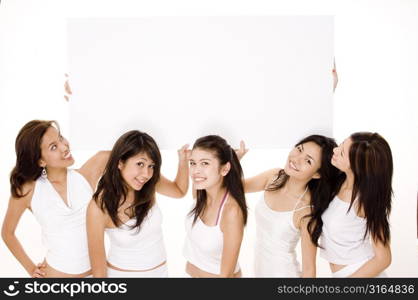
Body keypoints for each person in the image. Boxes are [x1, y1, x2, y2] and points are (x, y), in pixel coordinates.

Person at [1, 120, 109, 277]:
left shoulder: (86, 175)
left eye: (61, 138)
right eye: (54, 147)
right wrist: (31, 268)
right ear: (40, 161)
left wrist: (84, 99)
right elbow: (7, 233)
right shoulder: (28, 190)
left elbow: (125, 148)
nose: (64, 147)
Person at [87, 130, 189, 277]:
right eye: (140, 163)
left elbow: (179, 191)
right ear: (120, 162)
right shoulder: (98, 207)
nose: (146, 174)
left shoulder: (147, 184)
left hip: (160, 273)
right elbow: (98, 272)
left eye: (151, 166)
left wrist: (183, 160)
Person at [243, 135, 340, 277]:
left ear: (317, 174)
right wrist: (234, 159)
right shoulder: (274, 177)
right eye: (299, 149)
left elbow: (309, 270)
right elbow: (234, 188)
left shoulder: (306, 211)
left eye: (308, 160)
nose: (296, 159)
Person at [320, 132, 392, 277]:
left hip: (360, 274)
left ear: (357, 166)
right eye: (341, 144)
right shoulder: (338, 182)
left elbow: (383, 259)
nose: (335, 150)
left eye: (342, 153)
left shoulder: (364, 201)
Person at [183, 135, 247, 277]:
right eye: (192, 163)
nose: (195, 171)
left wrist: (228, 165)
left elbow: (226, 276)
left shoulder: (231, 212)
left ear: (224, 169)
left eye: (205, 163)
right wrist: (235, 159)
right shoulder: (201, 191)